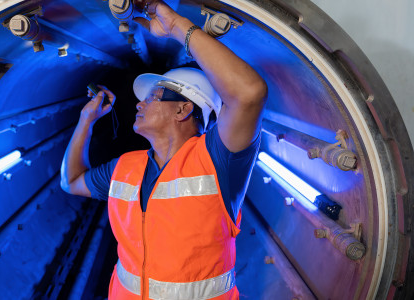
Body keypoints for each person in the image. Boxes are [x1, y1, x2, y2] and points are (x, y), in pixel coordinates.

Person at [60, 1, 267, 299]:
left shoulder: (219, 160)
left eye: (154, 96)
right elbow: (71, 181)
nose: (140, 104)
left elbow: (249, 94)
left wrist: (176, 27)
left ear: (184, 109)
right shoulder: (125, 168)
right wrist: (85, 120)